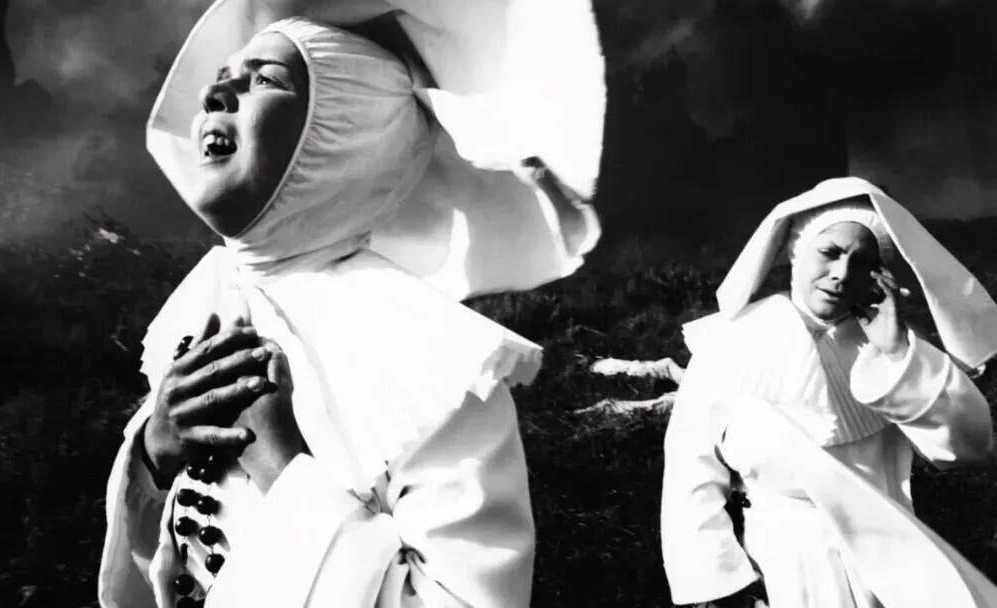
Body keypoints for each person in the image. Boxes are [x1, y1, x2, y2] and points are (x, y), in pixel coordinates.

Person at [97, 3, 605, 607]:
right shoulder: (206, 304)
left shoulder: (433, 368)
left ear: (338, 139)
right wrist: (153, 455)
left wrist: (281, 468)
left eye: (265, 79)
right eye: (224, 75)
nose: (214, 93)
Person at [660, 177, 997, 607]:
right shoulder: (731, 342)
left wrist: (897, 352)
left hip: (892, 556)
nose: (841, 274)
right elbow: (690, 470)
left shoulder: (889, 344)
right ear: (797, 250)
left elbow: (966, 447)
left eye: (861, 262)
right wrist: (720, 581)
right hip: (786, 561)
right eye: (830, 252)